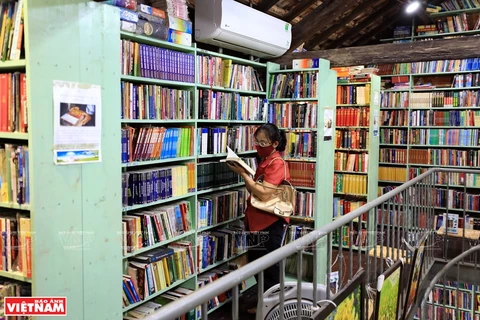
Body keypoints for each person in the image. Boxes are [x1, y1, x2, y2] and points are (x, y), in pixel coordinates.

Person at [226, 123, 291, 315]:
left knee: (269, 268)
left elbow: (262, 194)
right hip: (256, 221)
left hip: (270, 222)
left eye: (263, 142)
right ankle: (266, 305)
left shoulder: (277, 163)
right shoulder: (264, 161)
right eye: (257, 141)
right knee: (257, 262)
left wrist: (244, 174)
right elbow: (254, 190)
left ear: (275, 143)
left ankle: (276, 309)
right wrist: (249, 177)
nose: (259, 146)